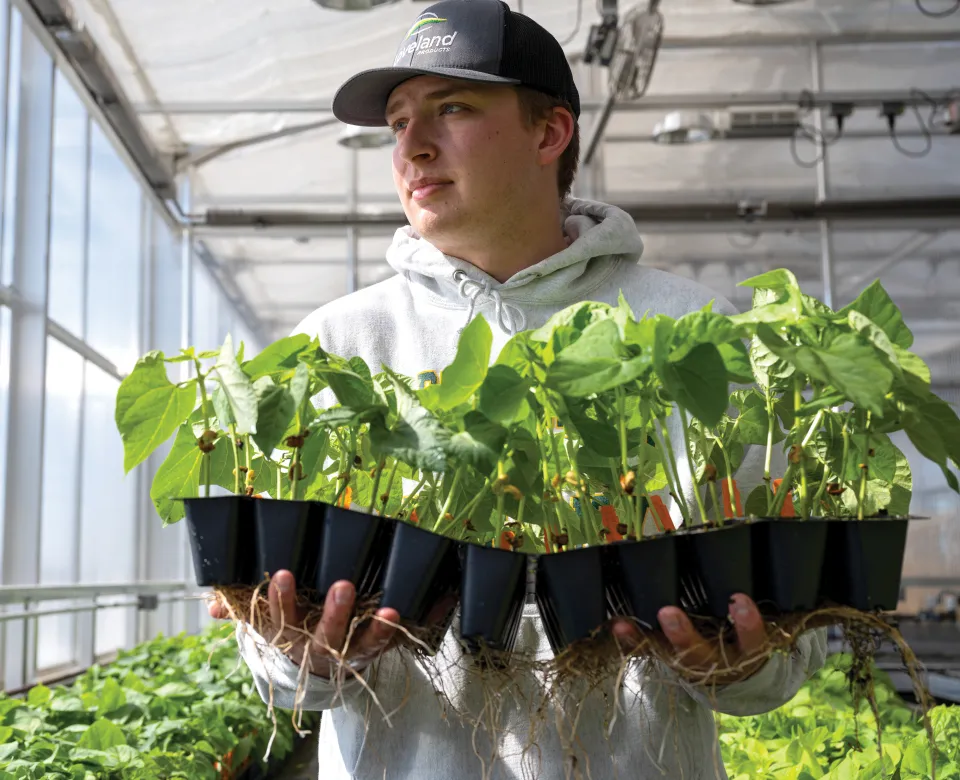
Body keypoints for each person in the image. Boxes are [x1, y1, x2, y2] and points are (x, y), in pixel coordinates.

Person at [213, 1, 827, 777]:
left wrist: (745, 666)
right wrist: (302, 658)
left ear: (550, 133)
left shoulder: (690, 326)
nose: (414, 146)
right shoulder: (342, 344)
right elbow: (274, 650)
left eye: (453, 108)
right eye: (398, 122)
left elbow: (790, 623)